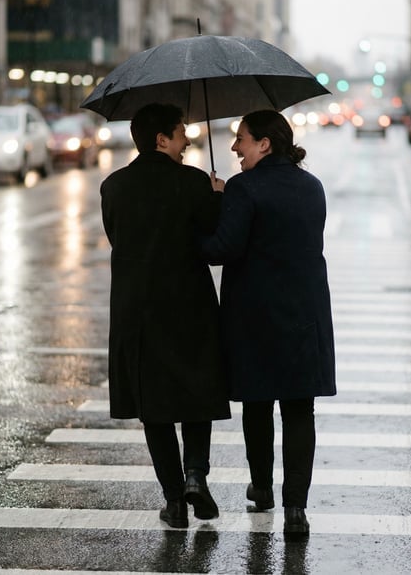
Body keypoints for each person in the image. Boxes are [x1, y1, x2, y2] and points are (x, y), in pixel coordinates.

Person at [202, 109, 336, 537]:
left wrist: (215, 206)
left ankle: (262, 488)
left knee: (258, 406)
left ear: (264, 143)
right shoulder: (312, 186)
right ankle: (296, 508)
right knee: (300, 410)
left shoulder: (244, 187)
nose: (234, 147)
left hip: (254, 317)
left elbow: (221, 249)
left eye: (240, 138)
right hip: (304, 314)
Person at [100, 103, 230, 529]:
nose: (187, 140)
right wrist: (216, 197)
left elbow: (118, 237)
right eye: (180, 134)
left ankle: (174, 501)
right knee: (197, 396)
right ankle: (196, 475)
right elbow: (212, 241)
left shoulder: (113, 187)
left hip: (137, 311)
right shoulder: (194, 182)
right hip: (189, 306)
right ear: (161, 139)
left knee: (153, 407)